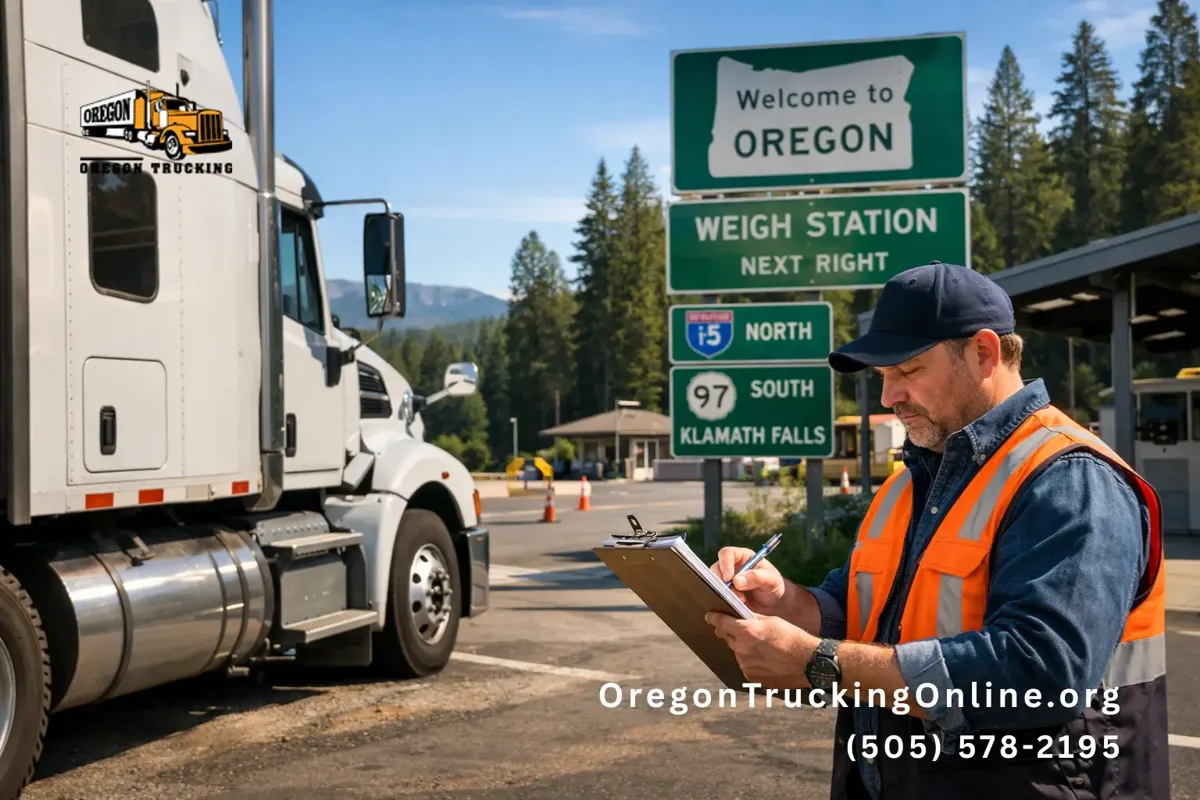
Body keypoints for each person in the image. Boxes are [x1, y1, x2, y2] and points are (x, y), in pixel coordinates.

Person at [706, 262, 1169, 799]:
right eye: (883, 376)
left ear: (984, 353)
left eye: (909, 370)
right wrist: (785, 601)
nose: (889, 396)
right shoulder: (913, 479)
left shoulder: (1069, 478)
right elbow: (862, 613)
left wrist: (820, 663)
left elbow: (1040, 670)